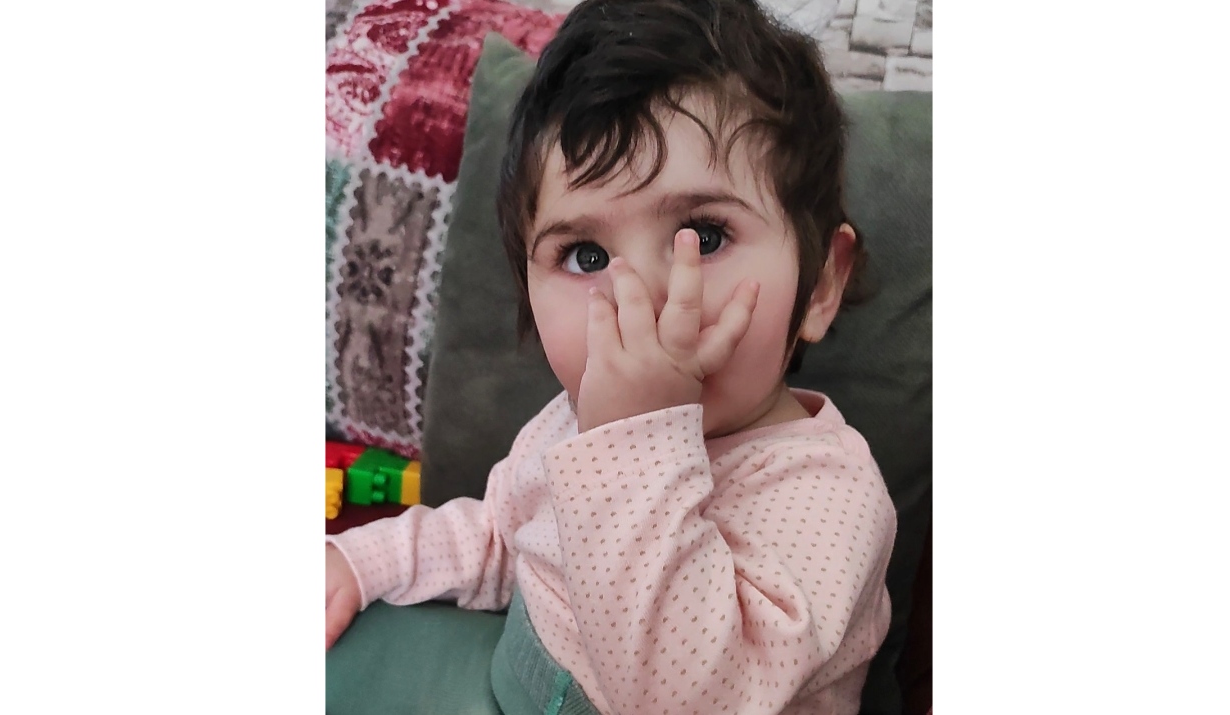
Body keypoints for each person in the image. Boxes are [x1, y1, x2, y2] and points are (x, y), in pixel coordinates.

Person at [326, 0, 897, 712]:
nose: (641, 300)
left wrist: (632, 443)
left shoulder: (828, 499)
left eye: (703, 237)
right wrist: (363, 560)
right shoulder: (578, 421)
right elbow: (503, 534)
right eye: (586, 255)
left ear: (821, 285)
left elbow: (684, 696)